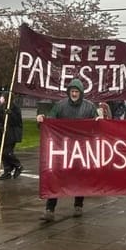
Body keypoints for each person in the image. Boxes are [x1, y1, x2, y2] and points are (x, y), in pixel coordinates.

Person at [36, 78, 98, 221]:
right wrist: (42, 121)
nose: (74, 94)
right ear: (69, 92)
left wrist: (98, 120)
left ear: (81, 93)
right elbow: (50, 122)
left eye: (76, 91)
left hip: (81, 148)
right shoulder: (60, 105)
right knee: (55, 176)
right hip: (62, 147)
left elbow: (98, 125)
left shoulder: (89, 107)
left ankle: (78, 205)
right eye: (72, 91)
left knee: (79, 177)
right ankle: (49, 209)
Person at [0, 92, 23, 180]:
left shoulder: (15, 108)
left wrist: (10, 114)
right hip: (3, 134)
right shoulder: (1, 108)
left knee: (8, 152)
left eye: (2, 97)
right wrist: (0, 127)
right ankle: (7, 170)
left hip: (12, 134)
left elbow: (18, 122)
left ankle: (18, 165)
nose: (1, 99)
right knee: (3, 154)